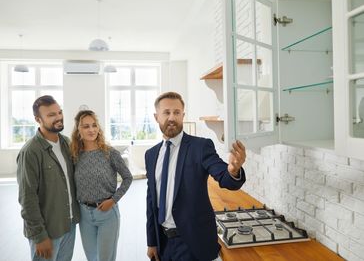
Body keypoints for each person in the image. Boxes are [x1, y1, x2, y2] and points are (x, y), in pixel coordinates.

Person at [146, 92, 246, 261]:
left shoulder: (200, 146)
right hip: (163, 243)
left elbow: (223, 175)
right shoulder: (151, 154)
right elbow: (151, 201)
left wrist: (233, 169)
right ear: (156, 117)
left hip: (193, 244)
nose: (172, 117)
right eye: (166, 112)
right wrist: (152, 242)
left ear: (183, 115)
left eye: (177, 112)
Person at [17, 95, 80, 261]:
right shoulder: (30, 152)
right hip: (47, 231)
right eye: (51, 115)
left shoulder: (67, 143)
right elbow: (27, 197)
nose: (58, 117)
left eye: (59, 112)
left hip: (68, 224)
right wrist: (39, 236)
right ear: (38, 119)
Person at [70, 110, 133, 261]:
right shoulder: (74, 155)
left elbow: (127, 177)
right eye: (86, 126)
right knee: (92, 258)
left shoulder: (109, 153)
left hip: (107, 214)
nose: (91, 130)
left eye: (94, 125)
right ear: (78, 130)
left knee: (106, 258)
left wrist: (113, 200)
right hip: (84, 214)